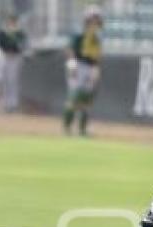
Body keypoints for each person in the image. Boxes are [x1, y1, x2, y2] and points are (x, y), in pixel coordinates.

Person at [63, 5, 102, 137]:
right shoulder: (79, 33)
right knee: (74, 97)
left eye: (97, 19)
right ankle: (67, 128)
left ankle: (82, 129)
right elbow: (69, 50)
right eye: (93, 19)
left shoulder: (96, 38)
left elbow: (96, 57)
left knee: (86, 99)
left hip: (90, 67)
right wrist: (72, 63)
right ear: (87, 19)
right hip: (78, 65)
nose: (95, 22)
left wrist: (96, 68)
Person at [0, 14, 27, 112]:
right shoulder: (2, 32)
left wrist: (15, 49)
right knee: (3, 80)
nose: (11, 23)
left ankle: (13, 104)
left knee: (13, 80)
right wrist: (6, 49)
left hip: (15, 57)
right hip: (4, 56)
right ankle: (3, 103)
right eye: (10, 21)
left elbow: (22, 45)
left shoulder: (20, 33)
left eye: (13, 21)